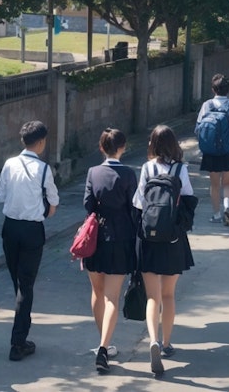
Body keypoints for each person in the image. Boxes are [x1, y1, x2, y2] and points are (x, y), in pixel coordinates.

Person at [133, 125, 197, 377]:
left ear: (152, 144)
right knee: (169, 295)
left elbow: (138, 203)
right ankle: (167, 343)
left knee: (152, 297)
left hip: (149, 239)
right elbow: (190, 200)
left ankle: (153, 340)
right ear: (174, 144)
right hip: (173, 240)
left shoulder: (147, 168)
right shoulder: (181, 170)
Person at [0, 120, 59, 362]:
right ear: (41, 142)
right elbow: (53, 203)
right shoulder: (44, 169)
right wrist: (43, 210)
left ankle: (21, 332)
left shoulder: (9, 164)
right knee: (26, 285)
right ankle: (18, 341)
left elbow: (0, 195)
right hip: (32, 231)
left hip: (10, 229)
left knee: (18, 284)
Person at [83, 128, 138, 373]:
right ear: (122, 147)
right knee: (112, 297)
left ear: (102, 148)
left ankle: (103, 342)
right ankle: (104, 348)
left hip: (95, 238)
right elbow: (135, 207)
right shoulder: (128, 174)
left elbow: (88, 204)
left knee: (97, 290)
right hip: (120, 237)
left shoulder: (93, 172)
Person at [196, 74, 229, 226]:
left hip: (211, 150)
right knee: (228, 182)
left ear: (213, 89)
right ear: (228, 90)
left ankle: (216, 214)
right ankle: (227, 208)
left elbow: (198, 128)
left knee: (214, 184)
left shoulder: (206, 105)